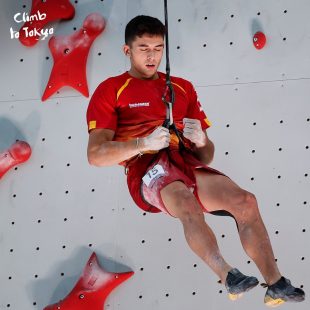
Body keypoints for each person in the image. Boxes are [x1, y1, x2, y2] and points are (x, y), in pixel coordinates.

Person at [86, 15, 305, 307]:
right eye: (143, 48)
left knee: (245, 201)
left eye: (158, 47)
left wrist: (201, 139)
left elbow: (206, 155)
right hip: (145, 168)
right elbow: (95, 155)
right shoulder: (111, 89)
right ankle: (228, 276)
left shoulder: (183, 88)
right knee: (184, 201)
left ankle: (275, 283)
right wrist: (141, 143)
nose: (152, 55)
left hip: (183, 161)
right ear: (128, 51)